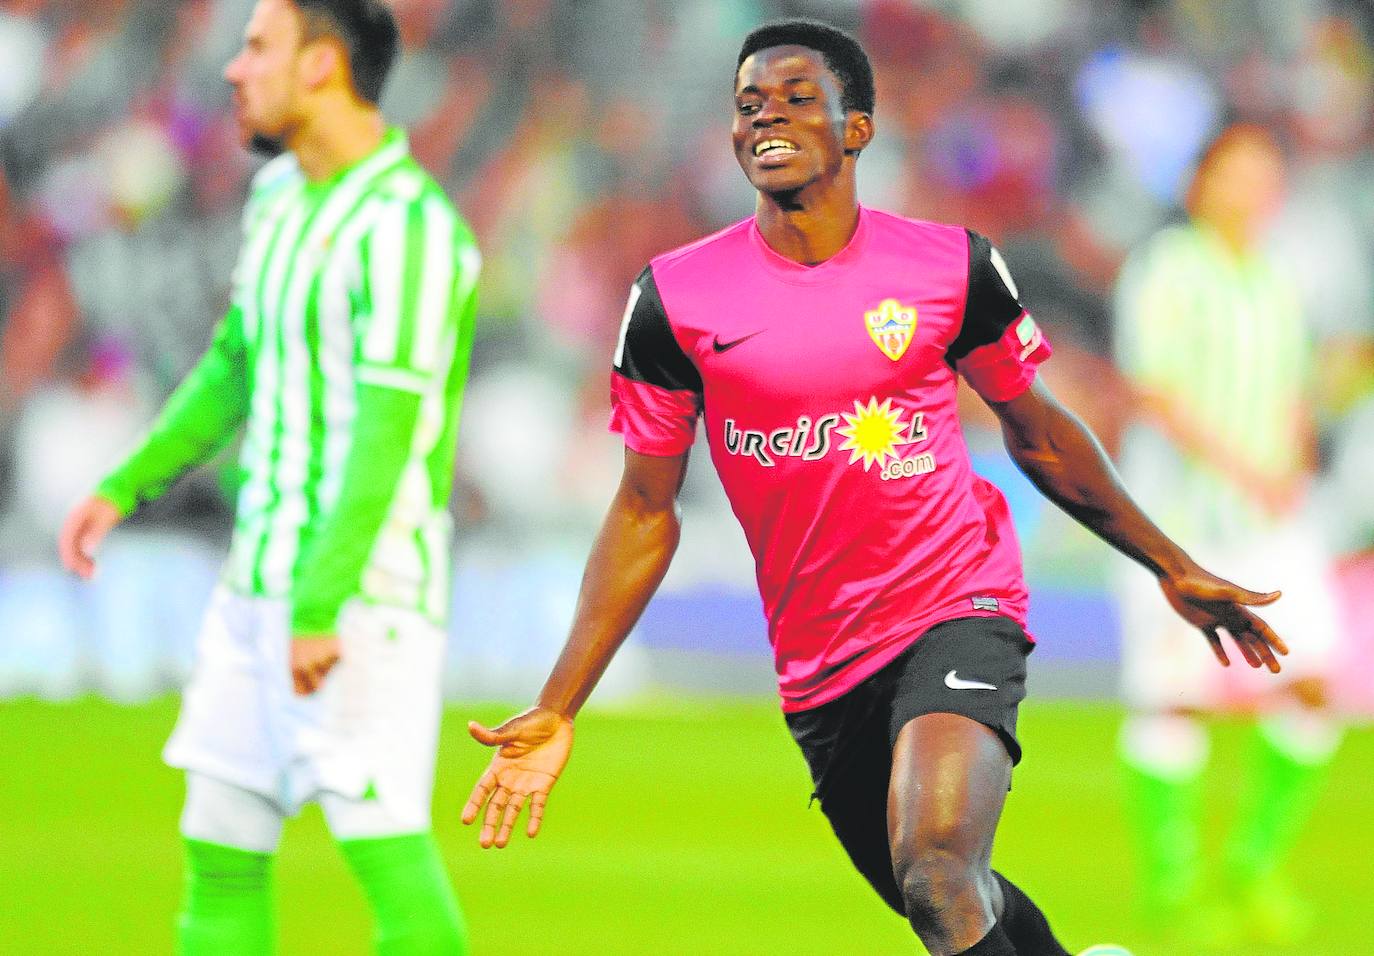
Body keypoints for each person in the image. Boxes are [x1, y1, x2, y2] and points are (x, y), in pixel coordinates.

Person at [460, 19, 1285, 956]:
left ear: (858, 128)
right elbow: (644, 511)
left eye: (797, 97)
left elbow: (1041, 433)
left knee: (936, 866)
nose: (764, 115)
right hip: (820, 665)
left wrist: (1170, 565)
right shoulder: (674, 300)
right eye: (747, 103)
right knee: (942, 893)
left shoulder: (950, 267)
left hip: (955, 605)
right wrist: (560, 703)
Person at [57, 1, 479, 952]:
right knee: (219, 853)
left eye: (256, 48)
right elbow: (232, 366)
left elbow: (386, 435)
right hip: (256, 588)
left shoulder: (412, 231)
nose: (232, 71)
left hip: (363, 598)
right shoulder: (280, 195)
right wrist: (123, 484)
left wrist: (322, 603)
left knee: (388, 863)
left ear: (322, 66)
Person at [1113, 123, 1343, 948]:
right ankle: (1172, 886)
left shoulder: (1277, 278)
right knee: (1177, 699)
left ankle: (1252, 864)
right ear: (1198, 183)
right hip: (1183, 523)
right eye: (1236, 174)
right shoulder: (1168, 267)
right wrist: (1247, 467)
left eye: (1265, 176)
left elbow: (1290, 387)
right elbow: (1156, 392)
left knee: (1316, 686)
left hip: (1275, 519)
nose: (1253, 191)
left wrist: (1296, 450)